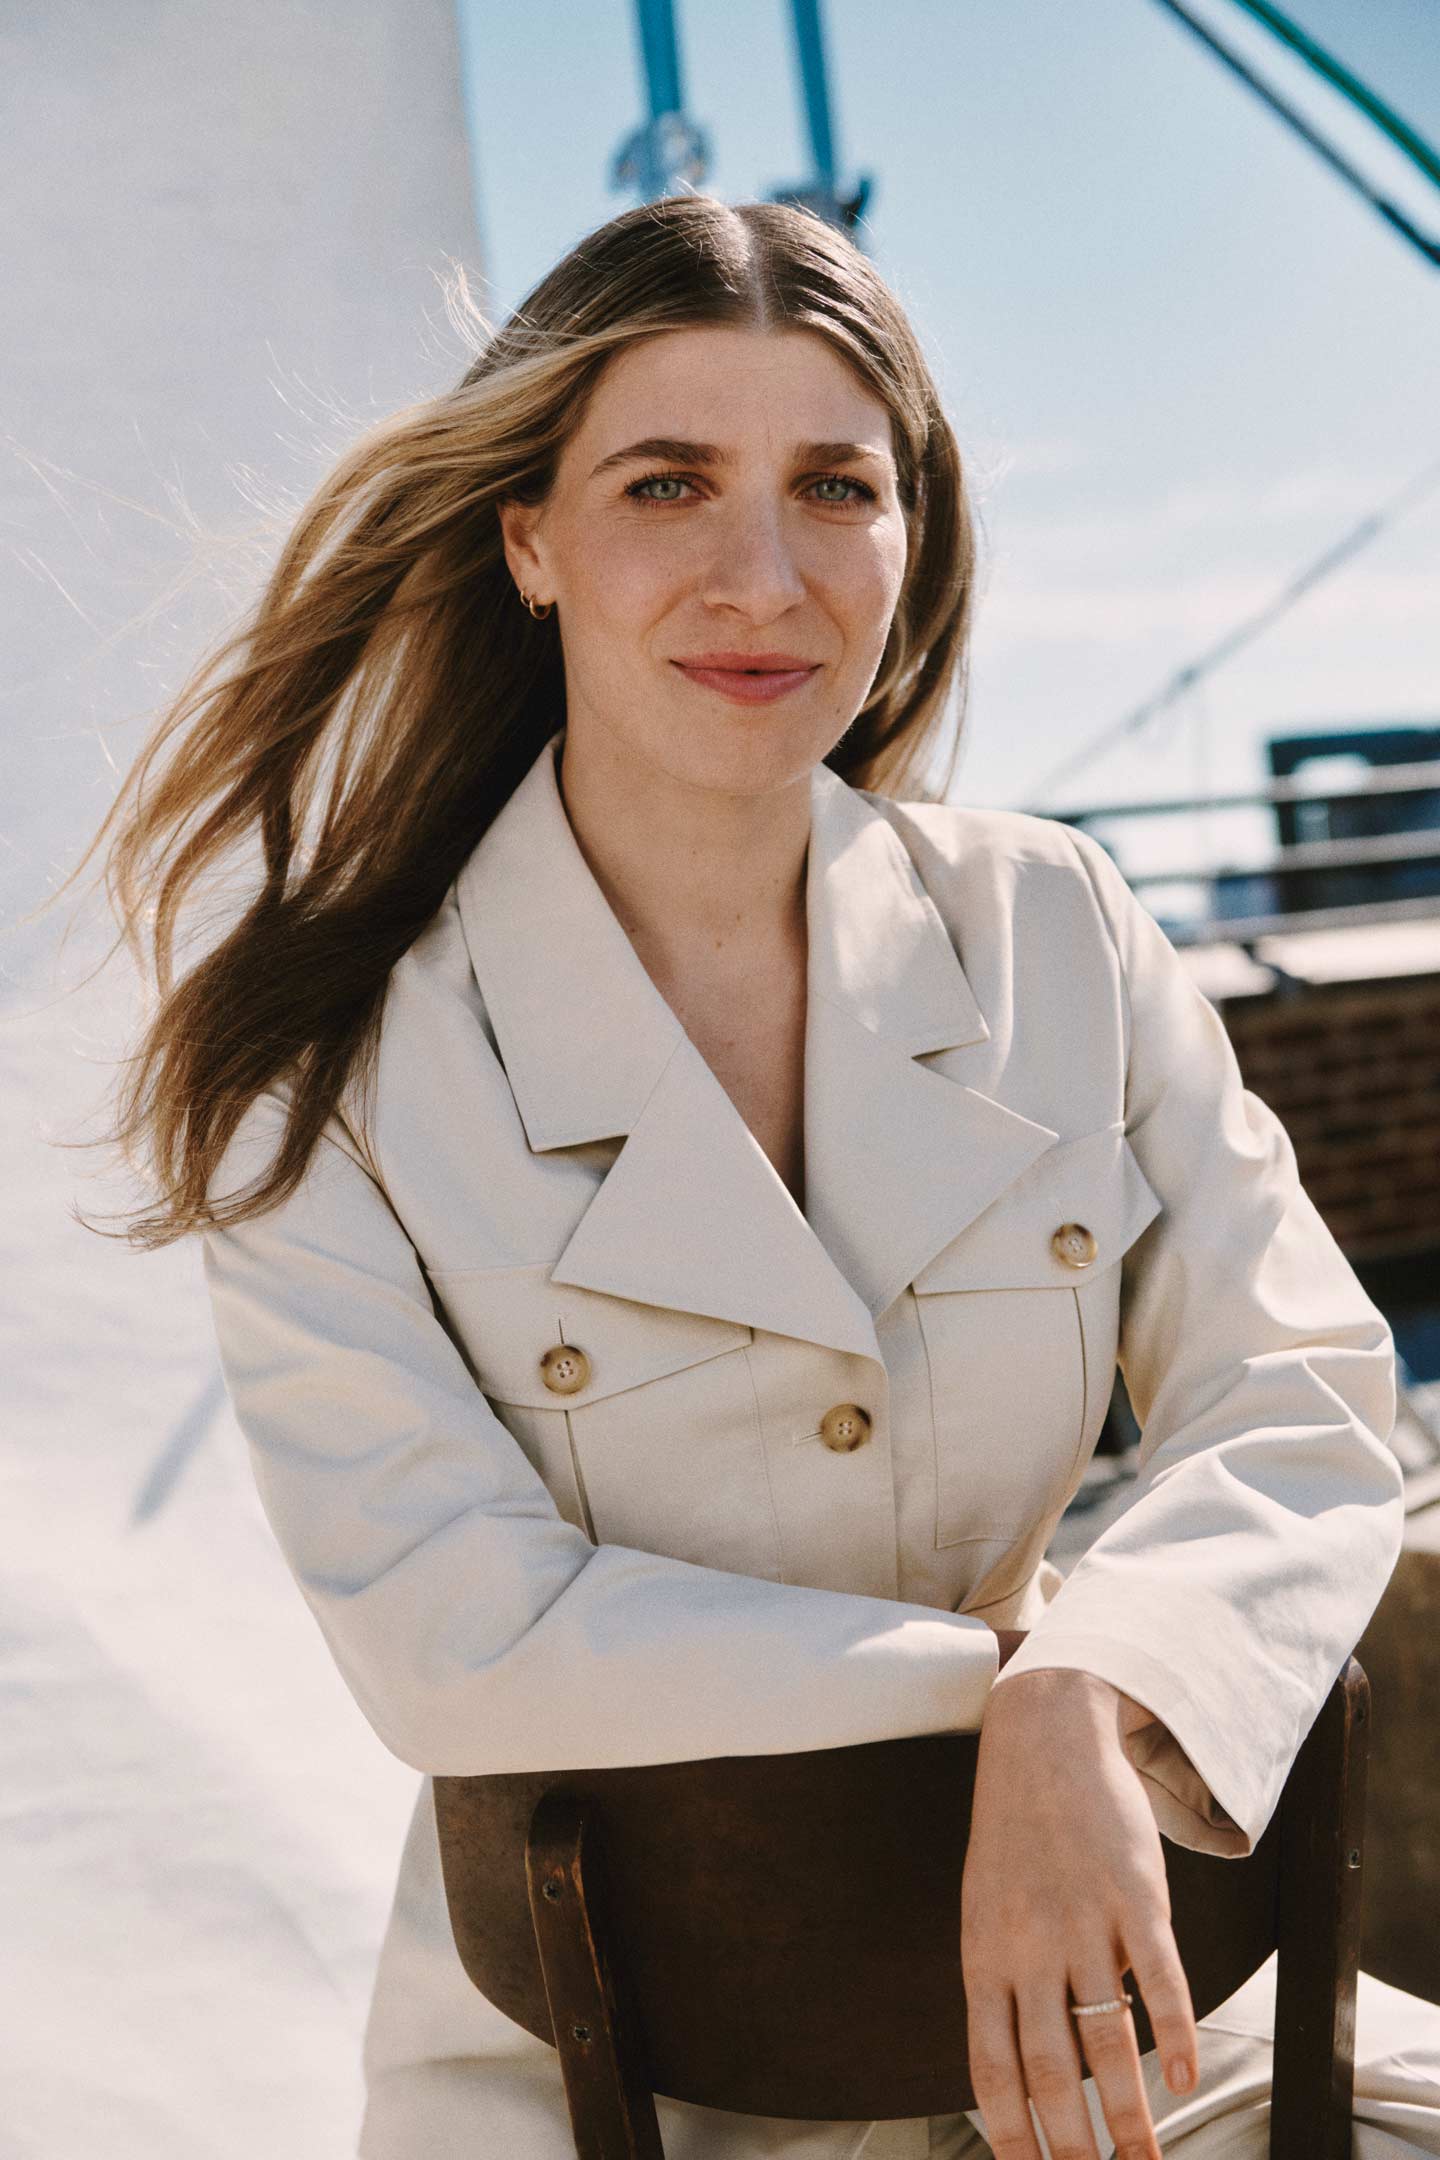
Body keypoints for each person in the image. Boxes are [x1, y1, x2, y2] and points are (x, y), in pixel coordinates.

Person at [83, 194, 1440, 2160]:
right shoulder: (332, 1072)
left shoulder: (1059, 929)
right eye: (667, 485)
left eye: (833, 487)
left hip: (1116, 2029)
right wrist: (1007, 1687)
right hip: (607, 2075)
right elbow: (454, 1630)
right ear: (529, 541)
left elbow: (1303, 1393)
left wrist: (1104, 1676)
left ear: (910, 535)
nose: (764, 576)